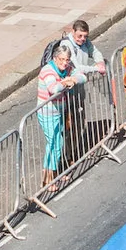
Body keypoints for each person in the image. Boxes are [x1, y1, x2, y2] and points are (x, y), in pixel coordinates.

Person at [34, 40, 91, 192]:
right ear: (54, 58)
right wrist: (67, 82)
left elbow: (82, 76)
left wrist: (73, 78)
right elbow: (54, 89)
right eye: (62, 60)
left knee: (57, 144)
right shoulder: (48, 71)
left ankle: (54, 174)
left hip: (59, 111)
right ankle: (47, 179)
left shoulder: (67, 68)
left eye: (67, 60)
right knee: (55, 144)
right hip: (47, 113)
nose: (65, 63)